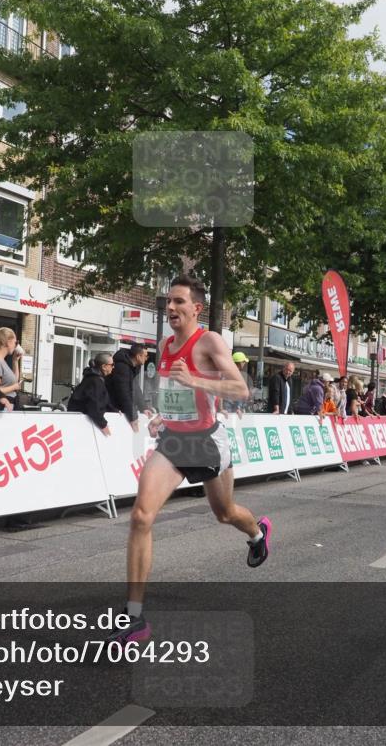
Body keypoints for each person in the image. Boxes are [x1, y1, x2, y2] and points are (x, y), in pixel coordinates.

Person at [108, 275, 268, 648]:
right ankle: (135, 619)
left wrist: (198, 381)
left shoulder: (210, 340)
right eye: (168, 302)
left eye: (179, 302)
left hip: (208, 441)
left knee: (225, 513)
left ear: (197, 307)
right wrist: (162, 415)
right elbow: (171, 391)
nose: (172, 308)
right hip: (174, 441)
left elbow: (241, 389)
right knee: (141, 515)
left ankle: (257, 533)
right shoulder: (165, 345)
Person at [107, 343, 153, 430]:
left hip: (118, 408)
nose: (147, 358)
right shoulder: (122, 368)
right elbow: (124, 393)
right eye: (145, 356)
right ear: (138, 356)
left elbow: (135, 387)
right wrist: (133, 417)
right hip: (111, 407)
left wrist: (143, 407)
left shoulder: (133, 367)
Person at [67, 353, 115, 435]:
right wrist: (103, 425)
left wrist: (114, 410)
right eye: (112, 364)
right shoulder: (95, 381)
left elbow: (103, 400)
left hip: (82, 421)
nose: (113, 367)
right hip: (80, 423)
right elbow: (93, 406)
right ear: (104, 366)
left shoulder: (95, 379)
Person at [0, 327, 24, 407]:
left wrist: (15, 361)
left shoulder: (2, 361)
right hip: (2, 406)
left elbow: (14, 381)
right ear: (8, 342)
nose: (16, 346)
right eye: (16, 343)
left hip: (9, 405)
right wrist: (14, 387)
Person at [222, 352, 255, 418]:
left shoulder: (229, 373)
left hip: (228, 407)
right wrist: (238, 408)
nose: (244, 364)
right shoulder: (235, 374)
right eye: (243, 362)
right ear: (239, 363)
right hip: (228, 407)